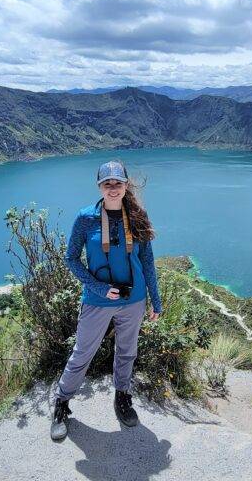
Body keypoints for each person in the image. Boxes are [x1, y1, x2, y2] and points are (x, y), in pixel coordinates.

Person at [50, 159, 162, 442]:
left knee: (127, 351)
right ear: (99, 186)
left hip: (134, 299)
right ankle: (61, 404)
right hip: (98, 300)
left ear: (126, 185)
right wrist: (99, 288)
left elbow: (147, 261)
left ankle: (122, 397)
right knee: (82, 353)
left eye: (118, 183)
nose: (113, 189)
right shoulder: (86, 218)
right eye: (107, 184)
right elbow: (71, 259)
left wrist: (155, 301)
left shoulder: (137, 216)